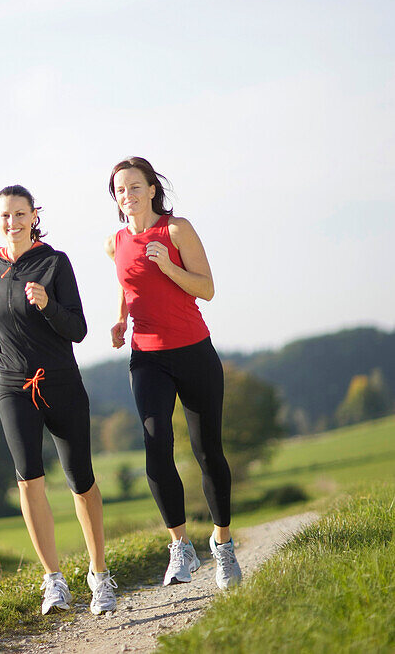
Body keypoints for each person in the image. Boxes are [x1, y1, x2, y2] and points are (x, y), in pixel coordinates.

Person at [0, 184, 117, 616]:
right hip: (13, 386)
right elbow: (7, 317)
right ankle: (53, 581)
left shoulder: (54, 263)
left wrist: (48, 304)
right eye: (5, 215)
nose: (12, 223)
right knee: (28, 480)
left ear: (34, 215)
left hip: (60, 384)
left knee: (81, 481)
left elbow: (77, 329)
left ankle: (99, 576)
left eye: (20, 214)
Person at [105, 156, 242, 591]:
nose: (127, 195)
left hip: (194, 352)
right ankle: (180, 545)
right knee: (155, 445)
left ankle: (222, 545)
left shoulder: (176, 230)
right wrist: (120, 318)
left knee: (208, 452)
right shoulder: (115, 242)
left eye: (134, 186)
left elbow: (207, 288)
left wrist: (167, 264)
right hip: (147, 357)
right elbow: (127, 284)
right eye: (120, 189)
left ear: (151, 189)